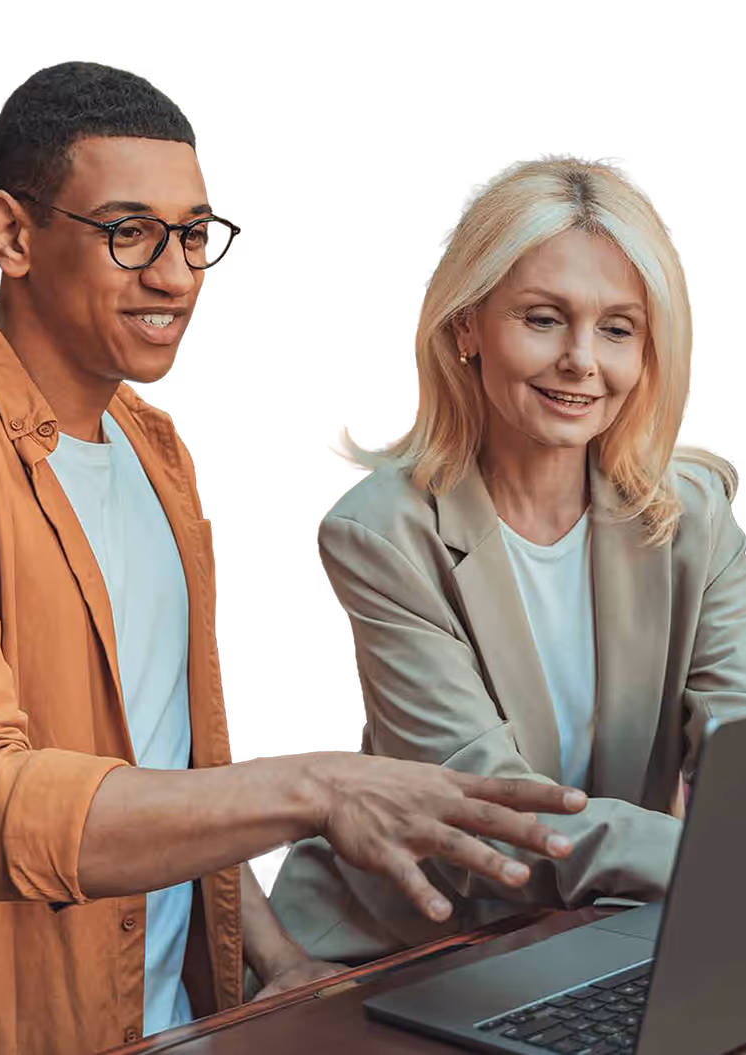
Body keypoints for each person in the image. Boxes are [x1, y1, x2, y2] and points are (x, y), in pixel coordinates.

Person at [0, 62, 589, 1055]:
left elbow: (170, 771)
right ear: (11, 233)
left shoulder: (154, 445)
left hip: (167, 1029)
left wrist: (277, 961)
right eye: (128, 230)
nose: (173, 274)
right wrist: (317, 787)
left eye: (195, 234)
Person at [265, 154, 746, 979]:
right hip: (398, 953)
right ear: (465, 327)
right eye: (543, 318)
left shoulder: (692, 511)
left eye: (617, 328)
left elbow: (735, 743)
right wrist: (710, 867)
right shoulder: (378, 532)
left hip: (602, 933)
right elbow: (481, 810)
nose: (581, 359)